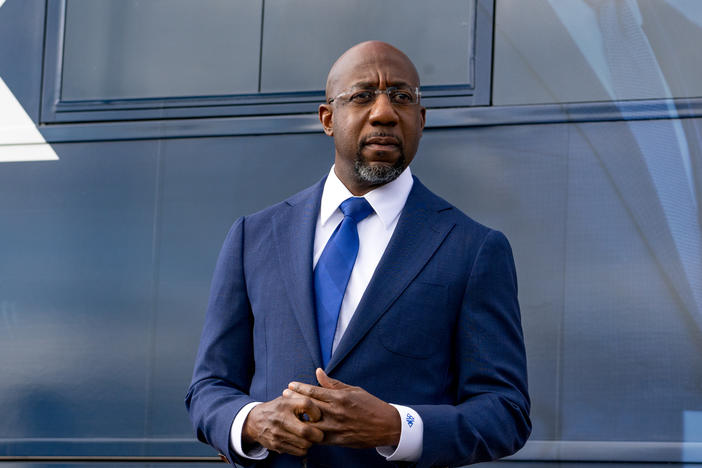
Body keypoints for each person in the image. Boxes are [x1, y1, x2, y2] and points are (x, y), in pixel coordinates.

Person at [186, 41, 530, 467]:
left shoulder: (473, 248)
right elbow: (209, 387)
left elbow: (505, 412)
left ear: (420, 121)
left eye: (402, 98)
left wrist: (396, 427)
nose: (384, 113)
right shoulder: (252, 237)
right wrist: (252, 421)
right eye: (362, 96)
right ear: (328, 118)